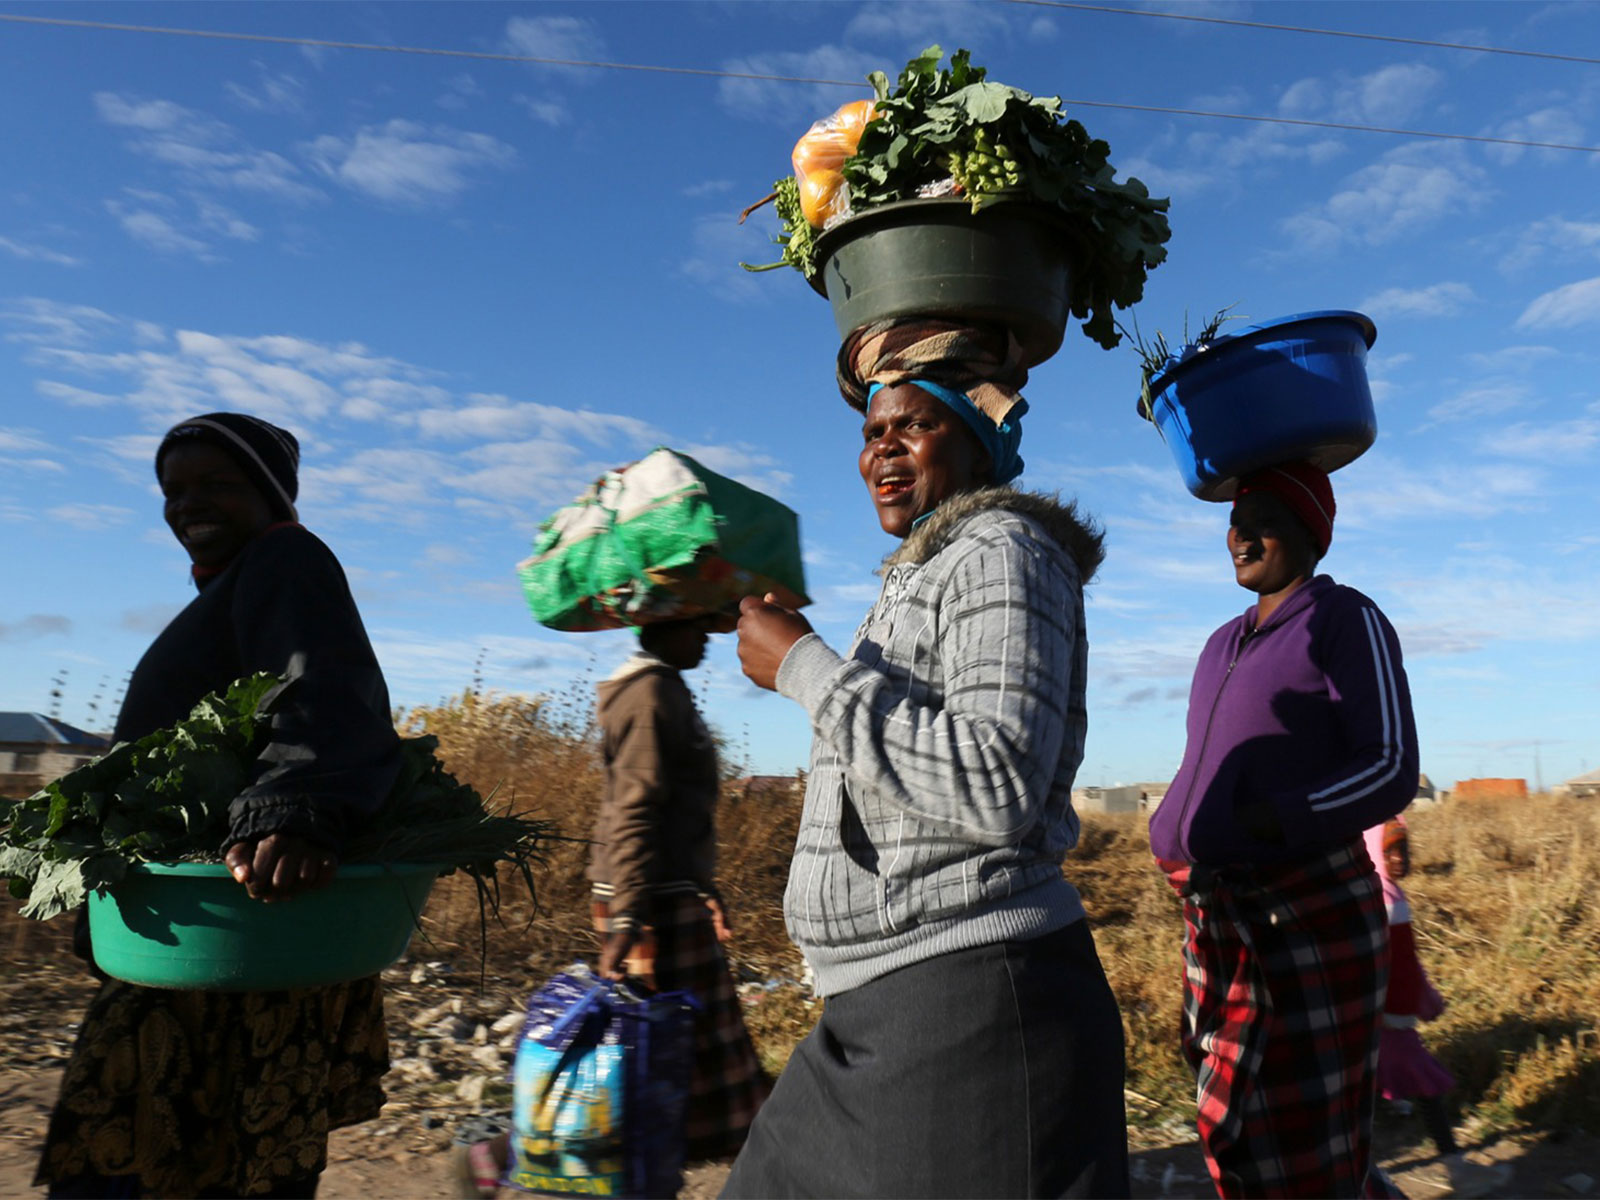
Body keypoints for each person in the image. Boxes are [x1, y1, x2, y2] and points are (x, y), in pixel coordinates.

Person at [723, 318, 1129, 1199]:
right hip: (875, 1007)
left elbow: (997, 779)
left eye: (914, 424)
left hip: (971, 1002)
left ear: (977, 436)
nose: (883, 451)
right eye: (873, 432)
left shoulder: (1003, 552)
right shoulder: (918, 574)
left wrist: (804, 666)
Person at [36, 412, 402, 1198]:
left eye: (216, 484)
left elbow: (323, 691)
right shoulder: (230, 594)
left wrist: (296, 809)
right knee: (207, 1162)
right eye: (173, 490)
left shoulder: (286, 558)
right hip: (189, 933)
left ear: (268, 494)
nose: (186, 504)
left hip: (238, 925)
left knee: (159, 1159)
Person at [1148, 460, 1419, 1199]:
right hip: (1220, 920)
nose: (1239, 536)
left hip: (1305, 916)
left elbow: (1391, 764)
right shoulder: (1217, 645)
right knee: (1234, 1123)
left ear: (1311, 531)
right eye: (1235, 520)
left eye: (1263, 517)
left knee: (1310, 1144)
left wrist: (1281, 818)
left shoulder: (1345, 620)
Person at [455, 616, 767, 1198]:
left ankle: (506, 1156)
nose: (706, 636)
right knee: (639, 1071)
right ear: (660, 624)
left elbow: (674, 815)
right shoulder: (648, 692)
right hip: (648, 907)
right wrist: (627, 918)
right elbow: (632, 807)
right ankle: (494, 1157)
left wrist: (704, 886)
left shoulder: (663, 687)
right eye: (692, 625)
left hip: (663, 898)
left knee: (690, 1083)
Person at [1364, 818, 1505, 1198]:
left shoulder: (1375, 893)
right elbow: (1397, 966)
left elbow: (1403, 962)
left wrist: (1423, 995)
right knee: (1425, 1088)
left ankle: (1359, 1174)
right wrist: (1410, 1004)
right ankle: (1456, 1170)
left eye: (1404, 850)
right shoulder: (1385, 899)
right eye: (1390, 850)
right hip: (1387, 1022)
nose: (1399, 858)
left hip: (1374, 1018)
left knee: (1366, 1097)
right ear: (1372, 851)